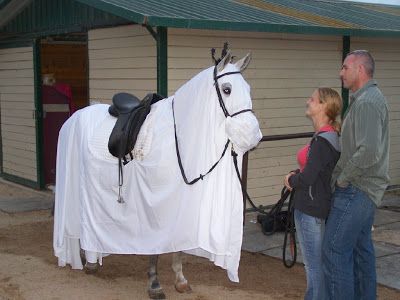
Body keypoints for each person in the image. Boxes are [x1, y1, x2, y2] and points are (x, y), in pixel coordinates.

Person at [322, 50, 390, 300]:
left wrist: (342, 179)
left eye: (344, 68)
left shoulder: (368, 102)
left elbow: (369, 151)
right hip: (363, 190)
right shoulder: (366, 99)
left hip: (356, 189)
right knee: (361, 252)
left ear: (359, 70)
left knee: (334, 249)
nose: (341, 73)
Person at [284, 87, 342, 300]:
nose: (308, 102)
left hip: (310, 210)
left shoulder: (322, 141)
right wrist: (299, 174)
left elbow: (308, 178)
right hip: (314, 207)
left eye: (312, 99)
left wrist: (292, 179)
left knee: (314, 267)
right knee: (318, 265)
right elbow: (314, 172)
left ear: (324, 106)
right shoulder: (326, 137)